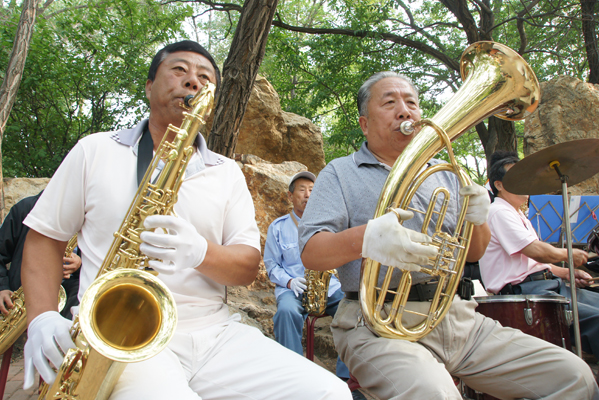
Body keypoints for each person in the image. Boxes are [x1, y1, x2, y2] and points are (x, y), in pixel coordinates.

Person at [19, 40, 351, 399]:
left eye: (205, 77)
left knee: (329, 393)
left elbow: (245, 267)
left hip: (215, 333)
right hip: (120, 335)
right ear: (149, 87)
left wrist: (199, 252)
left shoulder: (226, 172)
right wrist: (40, 318)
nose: (193, 81)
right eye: (179, 70)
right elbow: (44, 239)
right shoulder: (95, 149)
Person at [298, 71, 599, 399]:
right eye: (389, 103)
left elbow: (474, 253)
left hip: (451, 314)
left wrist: (479, 219)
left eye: (411, 103)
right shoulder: (339, 172)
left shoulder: (444, 172)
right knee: (434, 393)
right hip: (373, 322)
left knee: (575, 377)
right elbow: (311, 252)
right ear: (364, 124)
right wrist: (368, 238)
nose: (405, 111)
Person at [479, 150, 599, 358]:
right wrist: (568, 254)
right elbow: (535, 251)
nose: (526, 182)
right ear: (498, 185)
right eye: (518, 178)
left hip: (547, 284)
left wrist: (567, 273)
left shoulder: (516, 213)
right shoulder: (498, 212)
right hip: (527, 293)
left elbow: (532, 263)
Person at [264, 171, 363, 398]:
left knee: (353, 311)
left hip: (328, 287)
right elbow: (271, 265)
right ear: (290, 196)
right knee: (286, 312)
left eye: (312, 190)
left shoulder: (330, 226)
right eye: (301, 190)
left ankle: (346, 378)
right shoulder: (277, 227)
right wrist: (289, 281)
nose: (308, 195)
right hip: (294, 288)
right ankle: (294, 376)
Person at [0, 191, 80, 320]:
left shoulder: (86, 215)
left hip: (66, 302)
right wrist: (2, 287)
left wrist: (79, 264)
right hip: (21, 300)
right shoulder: (25, 208)